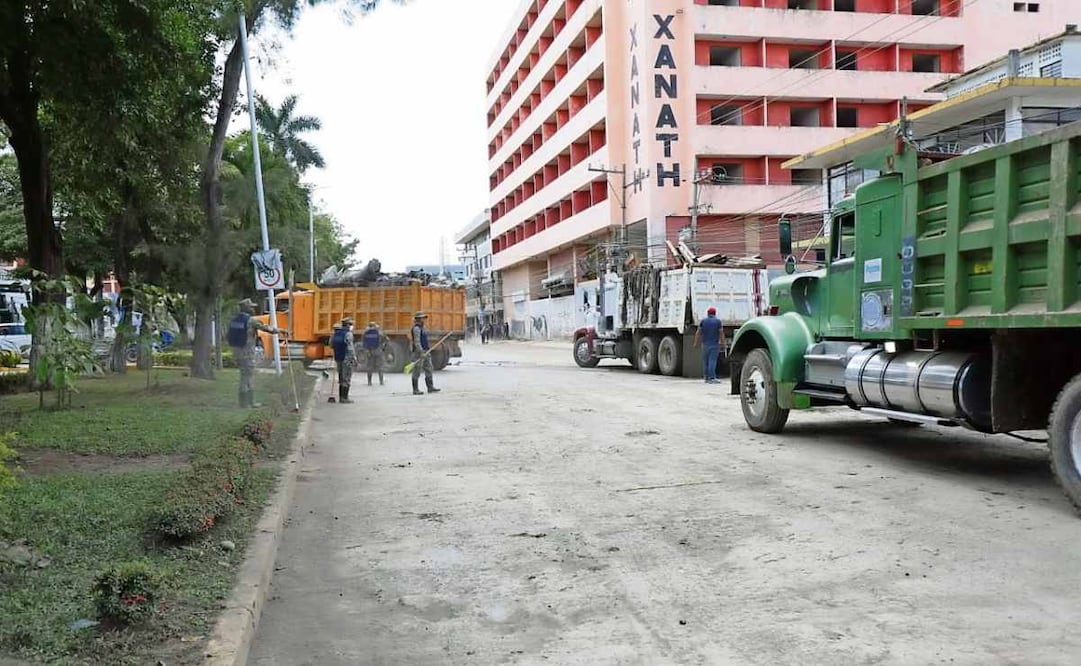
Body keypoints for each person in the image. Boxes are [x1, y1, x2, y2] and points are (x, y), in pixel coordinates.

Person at [227, 298, 284, 408]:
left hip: (237, 351)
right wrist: (279, 330)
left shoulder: (235, 320)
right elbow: (265, 328)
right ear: (247, 308)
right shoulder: (250, 320)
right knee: (247, 377)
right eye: (251, 307)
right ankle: (245, 403)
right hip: (247, 352)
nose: (253, 308)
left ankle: (248, 402)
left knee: (245, 375)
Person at [410, 311, 440, 396]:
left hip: (426, 351)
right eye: (423, 318)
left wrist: (427, 349)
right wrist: (421, 351)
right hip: (418, 352)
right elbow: (417, 342)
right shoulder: (416, 329)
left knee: (429, 368)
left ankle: (430, 387)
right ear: (418, 319)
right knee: (417, 370)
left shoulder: (423, 328)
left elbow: (425, 340)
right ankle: (415, 389)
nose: (424, 319)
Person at [694, 306, 726, 384]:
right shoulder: (718, 322)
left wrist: (695, 343)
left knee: (705, 362)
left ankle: (706, 377)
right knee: (712, 361)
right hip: (714, 345)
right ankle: (712, 378)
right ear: (715, 313)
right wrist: (723, 343)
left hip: (704, 345)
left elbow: (698, 332)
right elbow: (721, 333)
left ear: (708, 313)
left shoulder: (703, 321)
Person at [331, 317, 357, 403]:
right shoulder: (348, 334)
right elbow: (350, 348)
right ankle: (344, 398)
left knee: (341, 378)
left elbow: (331, 345)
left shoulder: (335, 334)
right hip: (347, 358)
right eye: (351, 324)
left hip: (338, 358)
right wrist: (354, 358)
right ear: (348, 325)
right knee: (346, 378)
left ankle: (341, 397)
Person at [361, 321, 388, 386]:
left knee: (369, 367)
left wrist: (367, 351)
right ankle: (381, 382)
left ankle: (369, 382)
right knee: (380, 367)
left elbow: (364, 343)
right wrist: (383, 348)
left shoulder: (365, 333)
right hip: (378, 351)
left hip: (369, 351)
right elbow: (386, 340)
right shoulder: (379, 332)